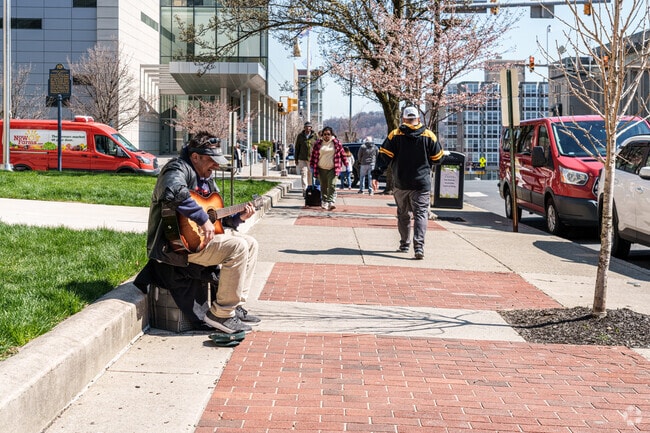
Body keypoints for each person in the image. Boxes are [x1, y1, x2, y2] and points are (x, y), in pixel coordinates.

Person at [146, 131, 261, 333]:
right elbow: (172, 190)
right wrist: (201, 218)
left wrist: (238, 218)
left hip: (200, 242)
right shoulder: (176, 168)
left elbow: (216, 219)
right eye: (211, 160)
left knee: (251, 243)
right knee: (238, 246)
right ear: (195, 157)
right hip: (176, 247)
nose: (216, 166)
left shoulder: (206, 178)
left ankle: (234, 307)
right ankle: (221, 315)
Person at [372, 106, 444, 260]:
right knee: (421, 214)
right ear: (418, 118)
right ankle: (419, 247)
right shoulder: (429, 135)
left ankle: (404, 244)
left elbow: (384, 157)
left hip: (401, 182)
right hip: (422, 183)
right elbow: (438, 158)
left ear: (403, 119)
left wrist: (375, 175)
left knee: (403, 214)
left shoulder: (395, 135)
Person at [309, 126, 348, 211]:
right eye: (325, 134)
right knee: (323, 186)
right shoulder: (318, 143)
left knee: (332, 185)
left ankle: (330, 202)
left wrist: (346, 164)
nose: (326, 136)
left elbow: (342, 154)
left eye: (328, 134)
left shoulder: (336, 143)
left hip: (333, 168)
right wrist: (311, 165)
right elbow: (313, 155)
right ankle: (324, 201)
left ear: (331, 134)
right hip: (321, 168)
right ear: (322, 135)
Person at [294, 121, 317, 195]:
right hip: (302, 158)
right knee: (304, 174)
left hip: (311, 159)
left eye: (309, 126)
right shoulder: (300, 136)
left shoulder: (315, 136)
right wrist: (296, 159)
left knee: (310, 174)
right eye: (306, 127)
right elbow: (297, 148)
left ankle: (310, 188)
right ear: (304, 128)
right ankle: (305, 190)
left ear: (311, 128)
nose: (308, 128)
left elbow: (317, 147)